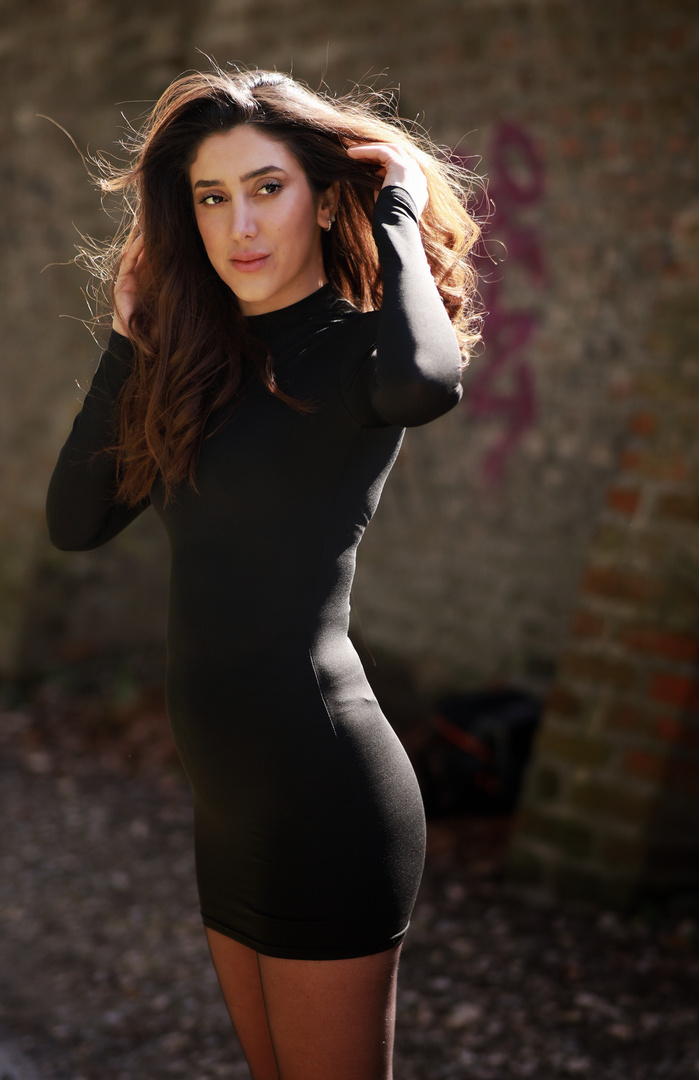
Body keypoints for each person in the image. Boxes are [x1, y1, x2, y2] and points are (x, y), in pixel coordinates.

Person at [46, 65, 481, 1080]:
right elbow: (75, 522)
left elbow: (426, 382)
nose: (238, 224)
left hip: (327, 794)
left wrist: (398, 204)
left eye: (267, 188)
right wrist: (128, 341)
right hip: (227, 803)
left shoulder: (358, 353)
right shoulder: (196, 365)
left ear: (324, 201)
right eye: (211, 196)